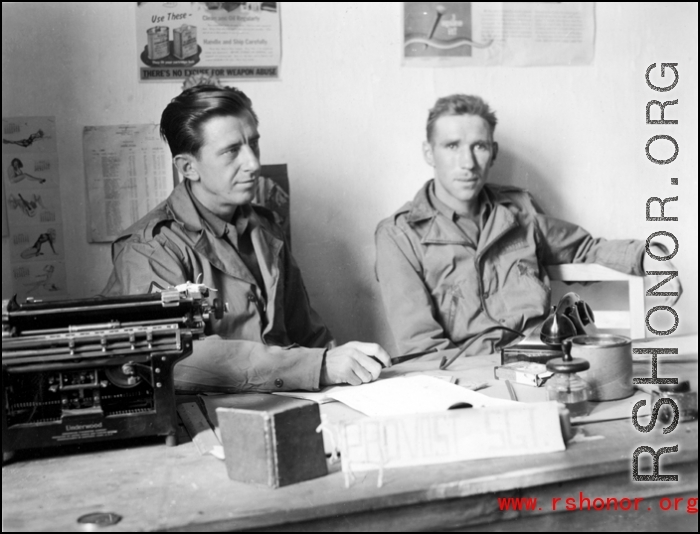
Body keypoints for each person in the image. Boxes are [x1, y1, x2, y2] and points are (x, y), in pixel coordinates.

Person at [103, 85, 390, 393]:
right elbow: (171, 356)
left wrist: (351, 371)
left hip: (288, 404)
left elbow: (309, 337)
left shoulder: (266, 228)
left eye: (253, 144)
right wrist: (317, 366)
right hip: (203, 420)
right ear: (188, 167)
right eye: (231, 151)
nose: (253, 163)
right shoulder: (149, 248)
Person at [375, 94, 680, 357]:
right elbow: (423, 349)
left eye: (478, 146)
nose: (467, 163)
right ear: (429, 152)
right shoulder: (399, 235)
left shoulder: (519, 210)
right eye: (452, 146)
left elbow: (584, 248)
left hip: (546, 362)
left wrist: (648, 257)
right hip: (468, 381)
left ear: (493, 153)